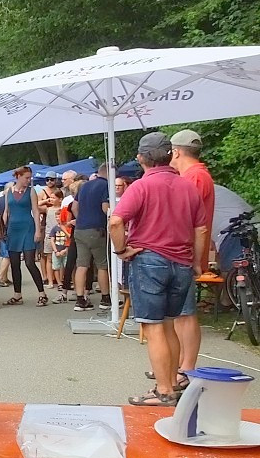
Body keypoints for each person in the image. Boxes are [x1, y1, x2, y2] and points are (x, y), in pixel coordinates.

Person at [110, 132, 207, 407]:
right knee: (170, 325)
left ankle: (163, 391)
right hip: (182, 263)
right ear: (169, 155)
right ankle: (173, 383)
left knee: (153, 328)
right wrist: (197, 262)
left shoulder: (141, 187)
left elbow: (116, 222)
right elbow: (200, 228)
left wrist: (121, 251)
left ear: (141, 158)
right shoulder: (188, 186)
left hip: (149, 260)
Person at [169, 129, 215, 376]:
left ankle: (187, 368)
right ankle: (178, 363)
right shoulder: (197, 175)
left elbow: (186, 218)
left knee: (185, 313)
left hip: (184, 252)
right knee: (179, 312)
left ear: (176, 152)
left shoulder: (194, 178)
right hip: (184, 251)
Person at [3, 166, 48, 306]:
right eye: (26, 177)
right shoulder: (8, 191)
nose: (29, 180)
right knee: (14, 263)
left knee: (29, 262)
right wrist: (4, 227)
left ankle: (42, 293)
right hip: (13, 228)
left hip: (27, 227)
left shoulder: (31, 191)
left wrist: (37, 230)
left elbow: (35, 211)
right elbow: (6, 211)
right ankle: (17, 295)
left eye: (30, 177)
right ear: (18, 176)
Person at [72, 163, 111, 312]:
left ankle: (80, 299)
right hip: (97, 229)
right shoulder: (106, 186)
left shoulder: (84, 185)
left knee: (82, 265)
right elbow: (105, 208)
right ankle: (105, 298)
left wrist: (81, 219)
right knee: (102, 265)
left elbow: (75, 207)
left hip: (80, 229)